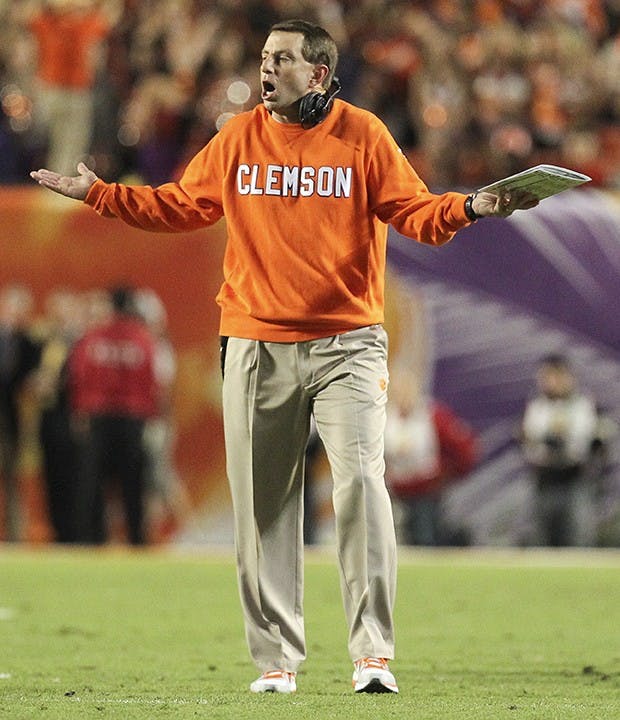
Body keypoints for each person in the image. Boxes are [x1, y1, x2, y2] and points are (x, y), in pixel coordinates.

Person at [31, 18, 537, 694]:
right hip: (256, 341)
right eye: (265, 57)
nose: (266, 69)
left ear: (320, 74)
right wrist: (99, 193)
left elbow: (416, 214)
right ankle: (276, 660)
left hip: (348, 343)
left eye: (282, 59)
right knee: (264, 505)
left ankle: (372, 654)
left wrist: (471, 206)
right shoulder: (238, 136)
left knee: (361, 485)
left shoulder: (363, 135)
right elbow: (180, 207)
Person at [67, 285, 158, 545]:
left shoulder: (94, 337)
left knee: (92, 483)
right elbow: (151, 379)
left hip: (99, 417)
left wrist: (80, 411)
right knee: (133, 485)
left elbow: (80, 376)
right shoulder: (142, 338)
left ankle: (90, 540)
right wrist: (149, 414)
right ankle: (136, 540)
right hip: (132, 418)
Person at [385, 373, 479, 546]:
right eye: (399, 392)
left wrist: (448, 474)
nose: (403, 397)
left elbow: (462, 446)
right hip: (396, 492)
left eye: (407, 391)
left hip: (426, 491)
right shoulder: (385, 419)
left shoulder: (432, 415)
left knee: (425, 536)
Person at [519, 353, 601, 547]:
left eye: (557, 376)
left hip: (574, 479)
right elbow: (530, 440)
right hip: (544, 479)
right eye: (547, 377)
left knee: (578, 537)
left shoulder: (582, 405)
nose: (552, 382)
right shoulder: (537, 406)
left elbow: (584, 440)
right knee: (540, 539)